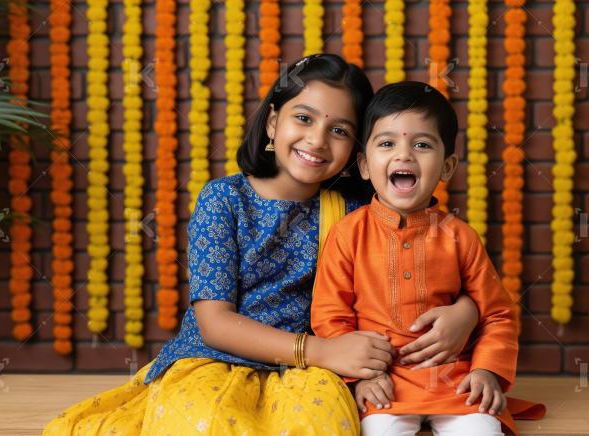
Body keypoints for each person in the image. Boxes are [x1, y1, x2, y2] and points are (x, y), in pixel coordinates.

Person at [44, 56, 480, 436]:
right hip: (216, 359)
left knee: (324, 423)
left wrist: (467, 311)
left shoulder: (359, 208)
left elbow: (438, 263)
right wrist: (320, 350)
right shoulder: (224, 200)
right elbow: (214, 322)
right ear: (274, 121)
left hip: (313, 372)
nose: (316, 140)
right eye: (304, 118)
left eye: (340, 130)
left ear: (359, 152)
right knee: (204, 421)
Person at [311, 81, 544, 436]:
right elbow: (330, 316)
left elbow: (497, 314)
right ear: (363, 164)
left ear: (447, 166)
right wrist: (360, 377)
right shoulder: (347, 234)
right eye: (387, 143)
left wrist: (486, 372)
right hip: (384, 385)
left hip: (456, 382)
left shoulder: (460, 237)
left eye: (421, 144)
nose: (404, 155)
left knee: (483, 430)